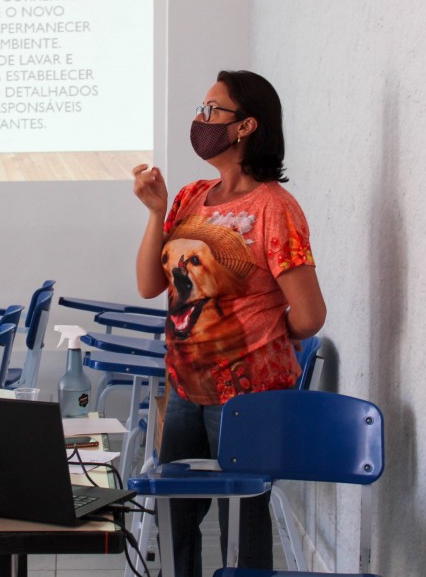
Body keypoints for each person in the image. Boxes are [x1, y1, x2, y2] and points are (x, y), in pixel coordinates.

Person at [133, 70, 326, 575]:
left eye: (212, 110)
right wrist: (156, 212)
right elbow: (150, 286)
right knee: (176, 517)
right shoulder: (190, 196)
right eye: (201, 108)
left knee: (241, 523)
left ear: (246, 127)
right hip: (184, 387)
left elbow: (308, 315)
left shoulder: (274, 209)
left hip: (245, 395)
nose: (201, 119)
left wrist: (256, 337)